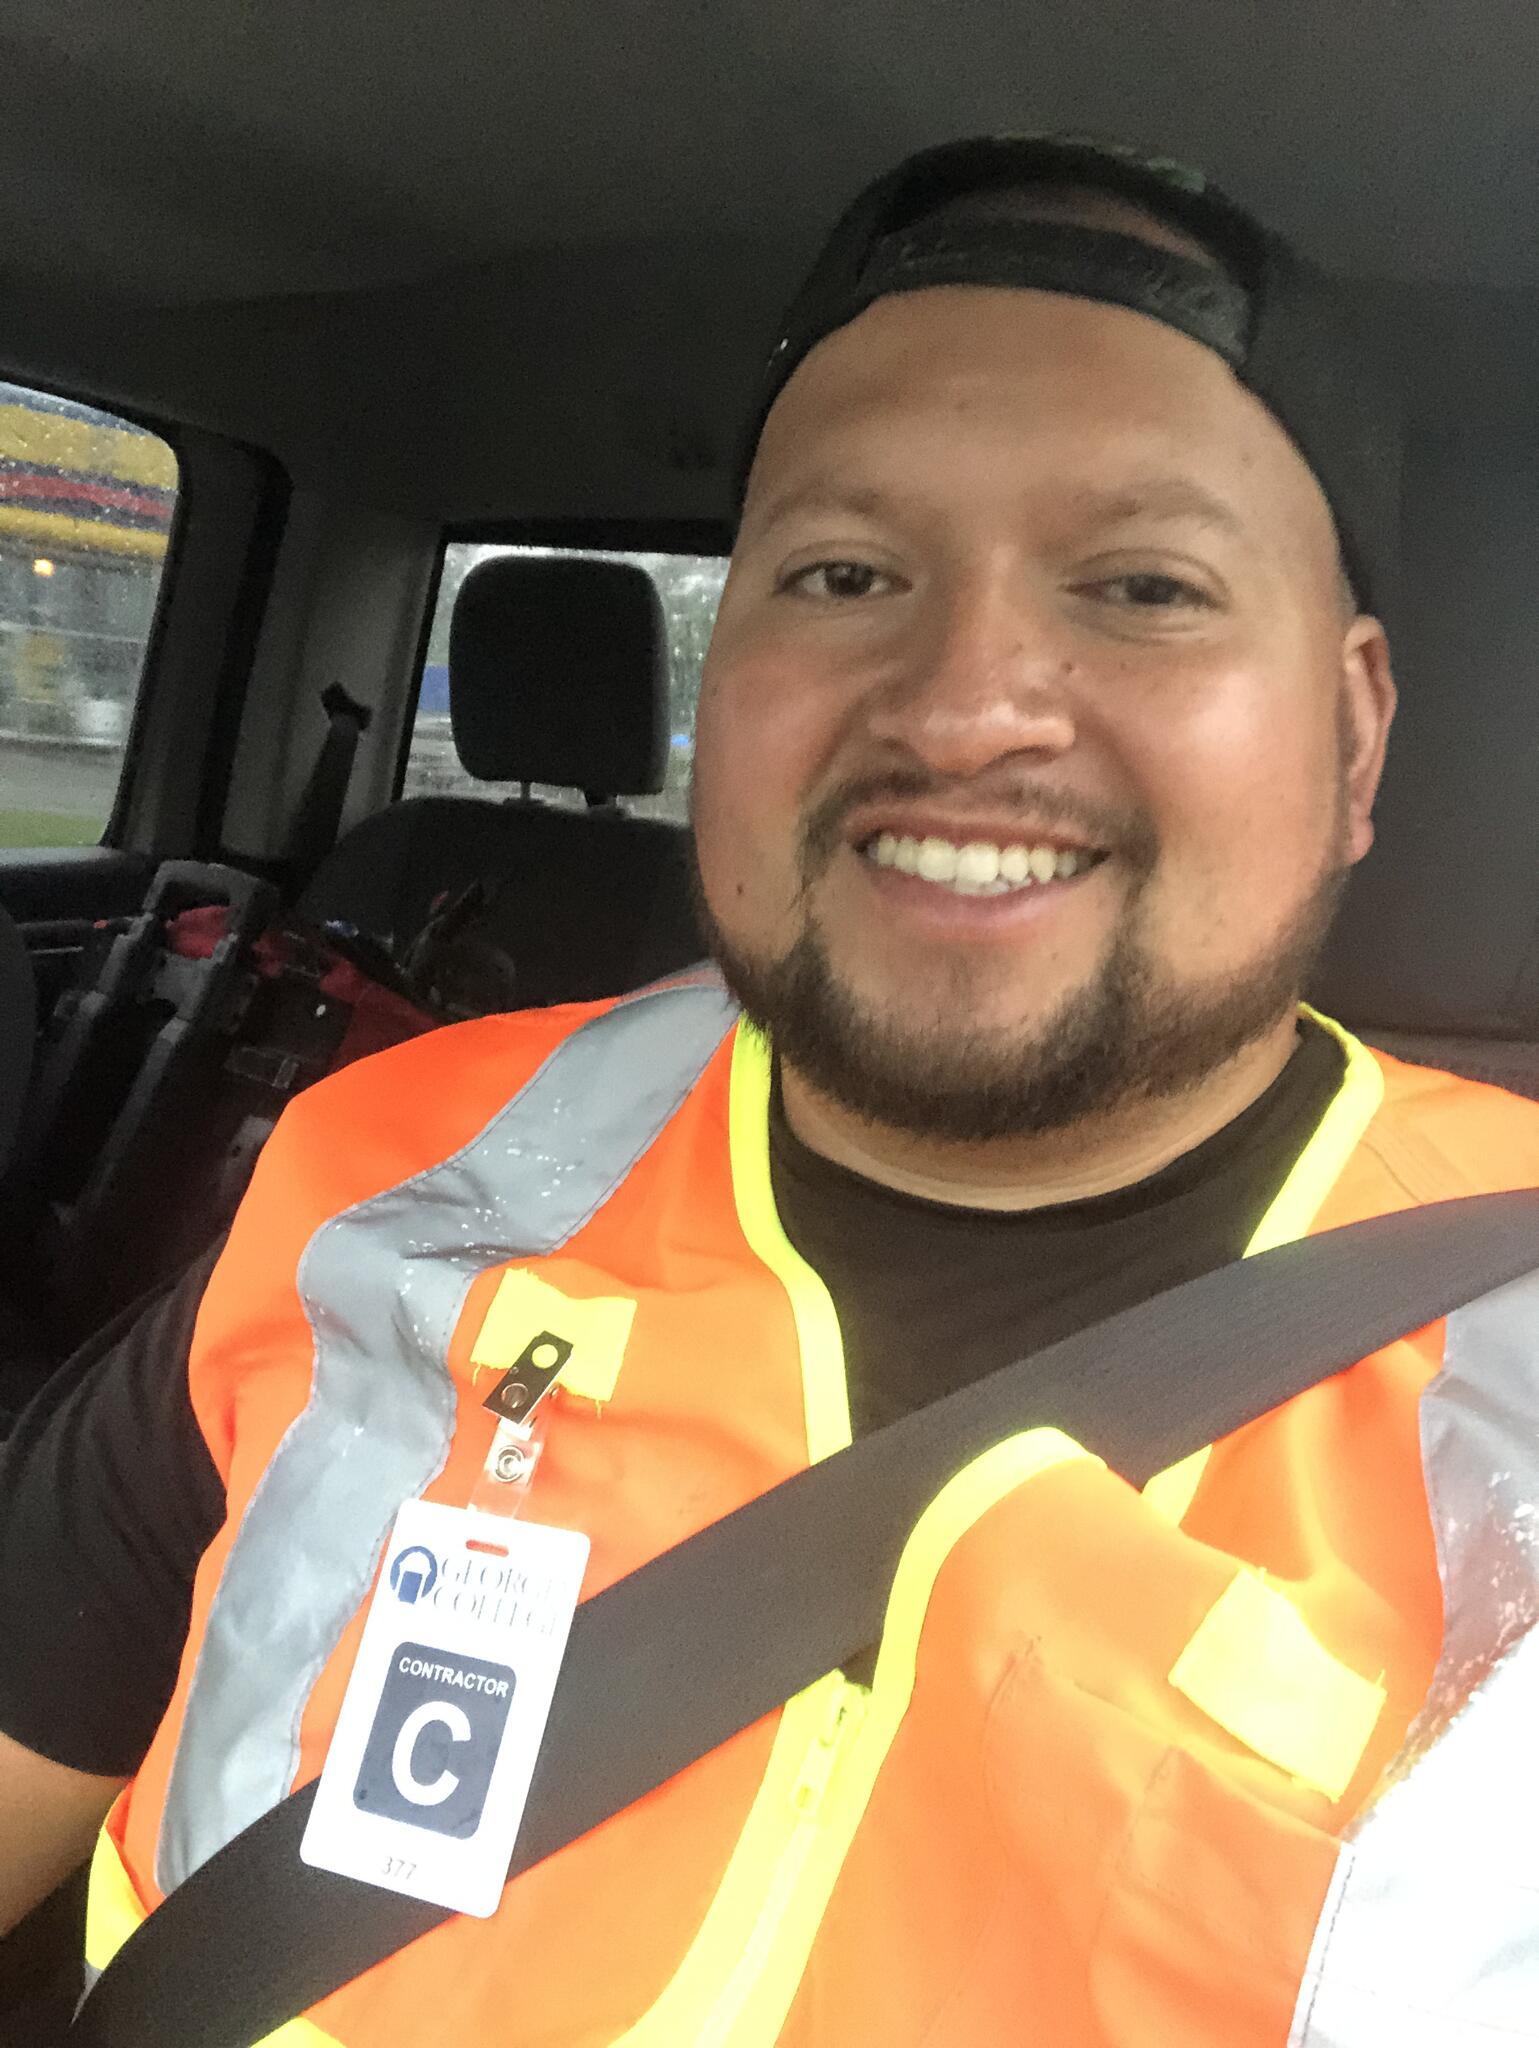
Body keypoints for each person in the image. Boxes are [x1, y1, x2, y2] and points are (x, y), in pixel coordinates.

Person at [2, 133, 1537, 2047]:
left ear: (1355, 733)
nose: (965, 707)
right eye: (843, 572)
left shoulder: (1508, 1366)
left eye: (1145, 584)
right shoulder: (388, 1172)